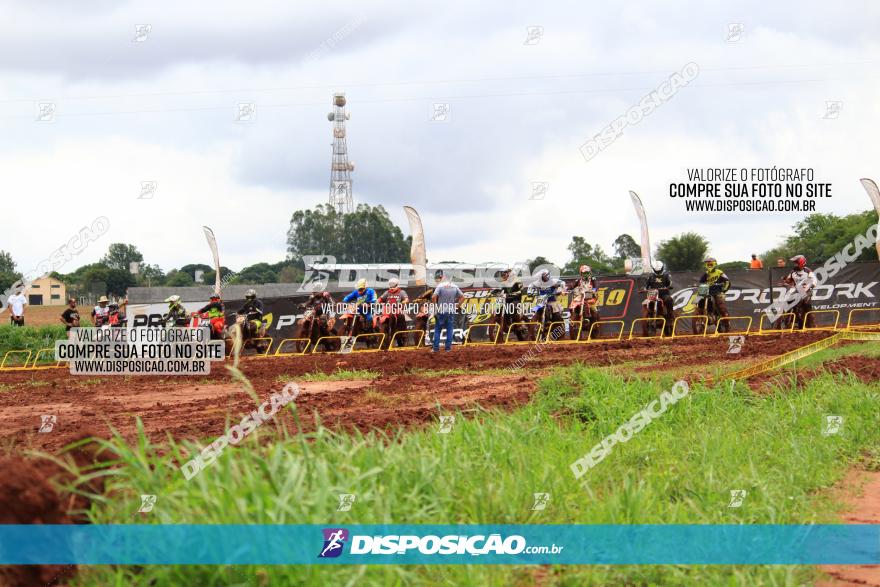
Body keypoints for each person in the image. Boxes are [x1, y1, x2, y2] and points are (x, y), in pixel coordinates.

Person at [527, 269, 566, 338]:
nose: (542, 278)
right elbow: (531, 286)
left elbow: (562, 283)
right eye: (541, 277)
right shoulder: (538, 282)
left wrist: (561, 290)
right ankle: (531, 326)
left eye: (543, 276)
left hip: (551, 301)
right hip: (540, 301)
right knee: (534, 310)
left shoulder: (553, 281)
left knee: (557, 315)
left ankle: (558, 330)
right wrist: (530, 292)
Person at [431, 271, 464, 352]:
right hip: (451, 310)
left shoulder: (440, 286)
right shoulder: (455, 286)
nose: (440, 278)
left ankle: (435, 349)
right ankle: (448, 349)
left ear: (444, 277)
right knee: (450, 329)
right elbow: (463, 297)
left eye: (441, 277)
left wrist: (436, 306)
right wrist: (457, 306)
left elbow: (433, 297)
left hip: (441, 310)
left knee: (438, 329)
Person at [782, 255, 818, 328]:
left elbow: (814, 280)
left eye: (796, 263)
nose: (794, 265)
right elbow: (789, 280)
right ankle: (786, 322)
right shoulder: (793, 272)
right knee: (787, 302)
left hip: (806, 290)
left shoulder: (807, 271)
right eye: (794, 263)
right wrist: (785, 281)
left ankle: (811, 323)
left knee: (806, 303)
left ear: (801, 263)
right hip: (796, 290)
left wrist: (810, 285)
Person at [642, 260, 675, 336]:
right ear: (653, 269)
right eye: (656, 270)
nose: (658, 272)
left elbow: (670, 282)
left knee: (669, 299)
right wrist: (644, 288)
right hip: (653, 294)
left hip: (663, 294)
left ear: (662, 268)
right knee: (647, 302)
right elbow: (646, 285)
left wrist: (669, 286)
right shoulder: (650, 276)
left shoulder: (666, 275)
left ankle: (670, 316)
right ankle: (649, 315)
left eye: (659, 270)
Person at [697, 257, 730, 325]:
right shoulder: (706, 274)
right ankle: (703, 315)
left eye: (710, 263)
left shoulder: (719, 272)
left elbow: (727, 281)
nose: (709, 265)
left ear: (714, 264)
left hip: (718, 291)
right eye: (707, 263)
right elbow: (701, 283)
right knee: (699, 300)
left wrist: (724, 290)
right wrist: (699, 286)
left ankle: (726, 323)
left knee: (721, 306)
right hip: (707, 291)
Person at [569, 265, 600, 337]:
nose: (585, 275)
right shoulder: (578, 280)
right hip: (581, 296)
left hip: (590, 295)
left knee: (593, 309)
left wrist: (595, 289)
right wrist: (567, 289)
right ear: (581, 274)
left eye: (587, 273)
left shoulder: (592, 279)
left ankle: (595, 324)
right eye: (584, 273)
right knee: (573, 304)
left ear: (589, 273)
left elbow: (596, 285)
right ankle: (574, 317)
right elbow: (572, 286)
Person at [377, 278, 410, 344]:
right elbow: (380, 298)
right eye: (390, 286)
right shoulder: (387, 292)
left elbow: (406, 299)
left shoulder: (401, 292)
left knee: (401, 316)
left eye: (393, 286)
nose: (392, 288)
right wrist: (378, 301)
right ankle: (382, 338)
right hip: (387, 311)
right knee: (380, 319)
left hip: (397, 310)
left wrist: (404, 301)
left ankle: (404, 335)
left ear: (397, 285)